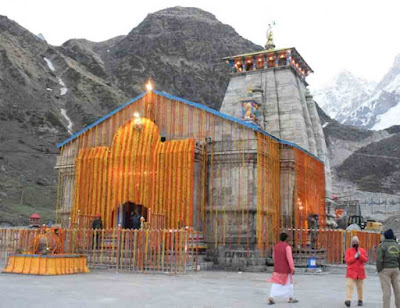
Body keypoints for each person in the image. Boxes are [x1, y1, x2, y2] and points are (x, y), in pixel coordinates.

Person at [267, 232, 298, 305]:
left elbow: (274, 257)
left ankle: (271, 297)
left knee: (276, 283)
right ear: (286, 239)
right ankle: (290, 298)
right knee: (289, 283)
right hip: (286, 269)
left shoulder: (275, 246)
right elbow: (289, 258)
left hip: (277, 268)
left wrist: (277, 264)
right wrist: (292, 268)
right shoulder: (287, 247)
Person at [376, 229, 400, 308]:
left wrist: (379, 270)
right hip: (395, 269)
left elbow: (379, 259)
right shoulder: (397, 245)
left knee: (387, 291)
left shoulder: (382, 245)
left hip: (385, 270)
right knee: (397, 291)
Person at [344, 236, 368, 307]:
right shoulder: (349, 251)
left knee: (360, 287)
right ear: (351, 243)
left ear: (358, 242)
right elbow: (348, 261)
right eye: (353, 242)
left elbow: (365, 260)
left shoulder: (362, 251)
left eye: (356, 242)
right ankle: (348, 300)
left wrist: (359, 255)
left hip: (360, 272)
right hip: (351, 271)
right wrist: (354, 257)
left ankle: (360, 300)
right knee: (349, 286)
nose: (355, 243)